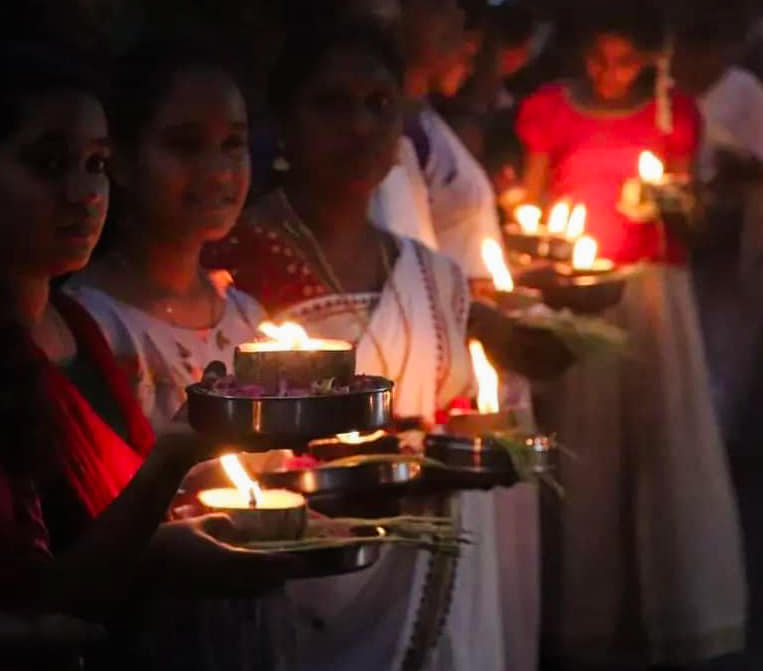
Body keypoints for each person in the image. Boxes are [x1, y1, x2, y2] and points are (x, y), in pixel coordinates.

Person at [203, 20, 572, 671]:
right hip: (298, 594)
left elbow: (454, 413)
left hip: (435, 583)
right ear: (284, 122)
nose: (360, 126)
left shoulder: (435, 278)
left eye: (379, 104)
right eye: (332, 103)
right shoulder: (231, 265)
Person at [0, 41, 286, 670]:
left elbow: (116, 505)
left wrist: (207, 487)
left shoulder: (70, 323)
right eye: (49, 164)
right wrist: (175, 458)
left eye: (95, 163)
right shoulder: (72, 325)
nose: (84, 192)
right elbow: (40, 599)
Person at [516, 3, 746, 668]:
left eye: (623, 60)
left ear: (649, 56)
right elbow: (533, 213)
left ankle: (673, 605)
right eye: (596, 57)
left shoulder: (675, 115)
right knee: (584, 451)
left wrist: (675, 205)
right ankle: (584, 617)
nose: (608, 73)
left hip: (654, 295)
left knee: (664, 440)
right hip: (582, 299)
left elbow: (697, 223)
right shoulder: (549, 110)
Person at [67, 40, 266, 437]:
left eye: (232, 145)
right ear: (121, 160)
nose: (218, 173)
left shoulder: (249, 320)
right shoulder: (88, 326)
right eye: (185, 145)